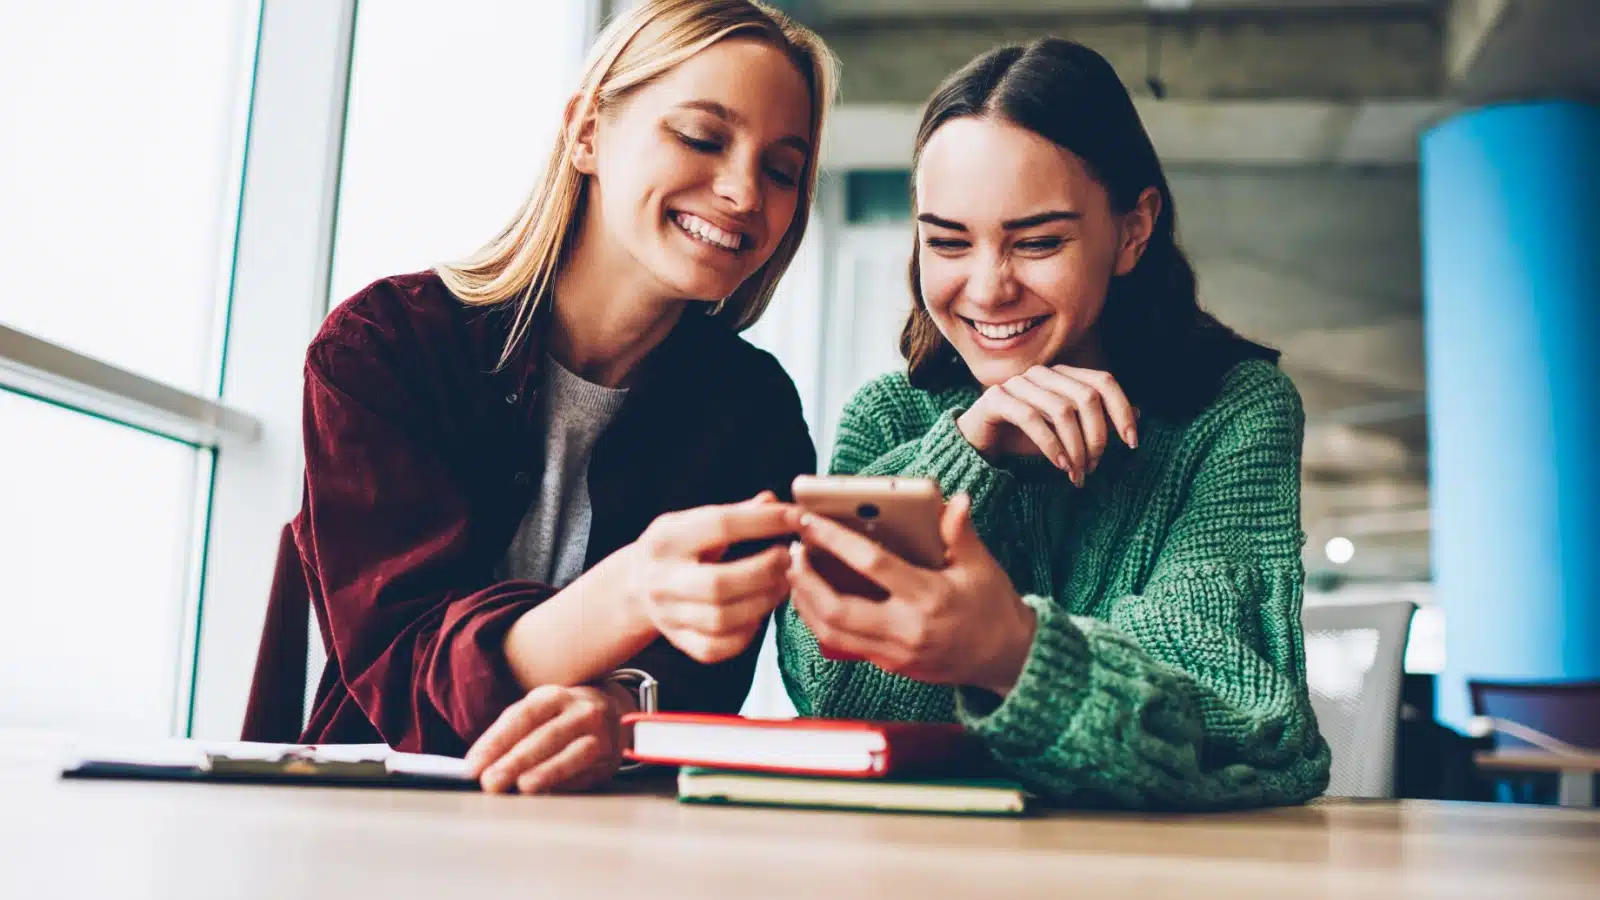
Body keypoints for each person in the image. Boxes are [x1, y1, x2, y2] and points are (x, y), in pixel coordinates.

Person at [243, 0, 836, 795]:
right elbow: (404, 668)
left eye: (782, 169)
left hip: (608, 832)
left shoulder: (755, 414)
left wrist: (618, 718)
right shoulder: (385, 348)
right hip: (373, 813)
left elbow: (698, 687)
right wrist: (631, 592)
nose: (742, 190)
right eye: (702, 137)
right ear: (587, 132)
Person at [777, 37, 1331, 809]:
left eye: (1037, 242)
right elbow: (838, 705)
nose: (987, 288)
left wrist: (1008, 649)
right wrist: (965, 453)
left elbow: (1232, 719)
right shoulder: (889, 418)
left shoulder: (1231, 413)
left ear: (1132, 230)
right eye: (946, 241)